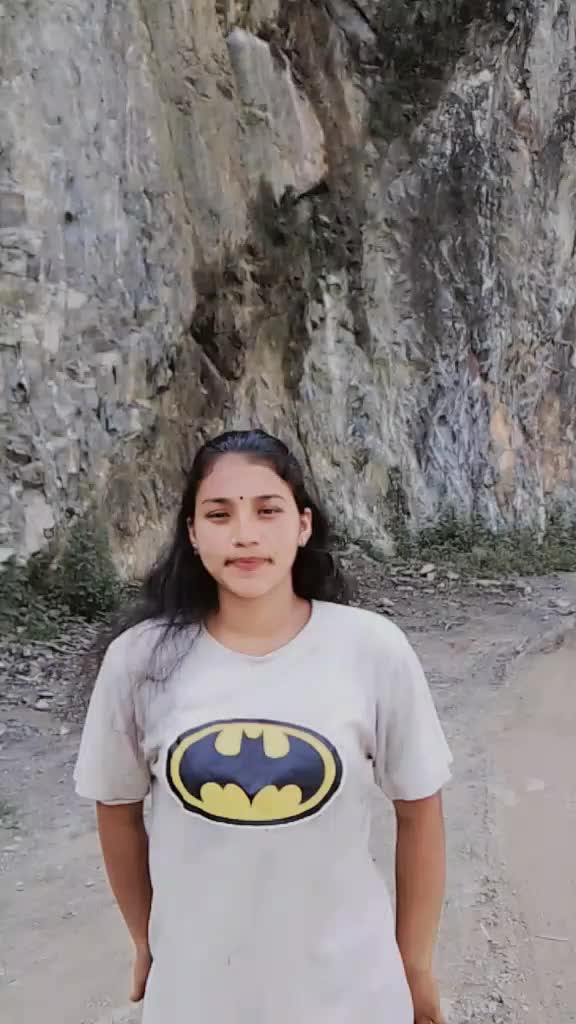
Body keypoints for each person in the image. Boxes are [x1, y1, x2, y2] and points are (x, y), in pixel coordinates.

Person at [74, 428, 452, 1024]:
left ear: (302, 525)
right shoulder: (140, 660)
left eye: (267, 510)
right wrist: (147, 942)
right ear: (192, 533)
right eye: (219, 514)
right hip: (197, 994)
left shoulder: (370, 649)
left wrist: (415, 967)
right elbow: (116, 809)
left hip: (349, 990)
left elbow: (420, 811)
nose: (245, 533)